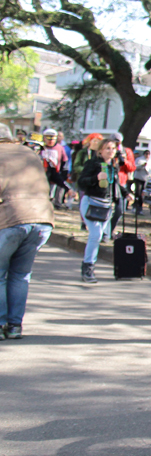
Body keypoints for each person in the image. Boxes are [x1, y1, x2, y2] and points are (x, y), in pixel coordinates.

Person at [0, 123, 54, 339]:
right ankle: (14, 326)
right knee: (21, 275)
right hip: (41, 218)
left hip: (11, 217)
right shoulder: (29, 152)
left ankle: (1, 322)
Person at [78, 138, 130, 283]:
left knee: (98, 236)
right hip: (91, 203)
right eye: (107, 148)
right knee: (96, 235)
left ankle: (90, 265)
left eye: (113, 148)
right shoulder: (92, 164)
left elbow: (116, 185)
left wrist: (127, 194)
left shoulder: (113, 166)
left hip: (105, 206)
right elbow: (81, 182)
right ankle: (88, 267)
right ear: (100, 151)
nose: (111, 151)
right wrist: (95, 178)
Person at [109, 132, 136, 233]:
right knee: (106, 209)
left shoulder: (126, 151)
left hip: (121, 183)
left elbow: (132, 167)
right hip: (108, 181)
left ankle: (110, 229)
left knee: (120, 209)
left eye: (118, 143)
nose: (116, 145)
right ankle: (105, 232)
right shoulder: (107, 150)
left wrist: (124, 161)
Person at [38, 129, 69, 209]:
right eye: (48, 138)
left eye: (52, 138)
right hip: (41, 175)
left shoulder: (60, 148)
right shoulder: (41, 147)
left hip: (55, 173)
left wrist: (64, 173)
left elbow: (64, 161)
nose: (50, 141)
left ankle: (54, 204)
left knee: (52, 192)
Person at [132, 150, 151, 215]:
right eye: (146, 154)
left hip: (145, 179)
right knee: (138, 192)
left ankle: (140, 208)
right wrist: (142, 166)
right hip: (138, 178)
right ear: (144, 154)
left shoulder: (150, 161)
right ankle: (135, 206)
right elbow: (135, 167)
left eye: (148, 154)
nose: (147, 155)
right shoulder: (139, 159)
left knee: (142, 194)